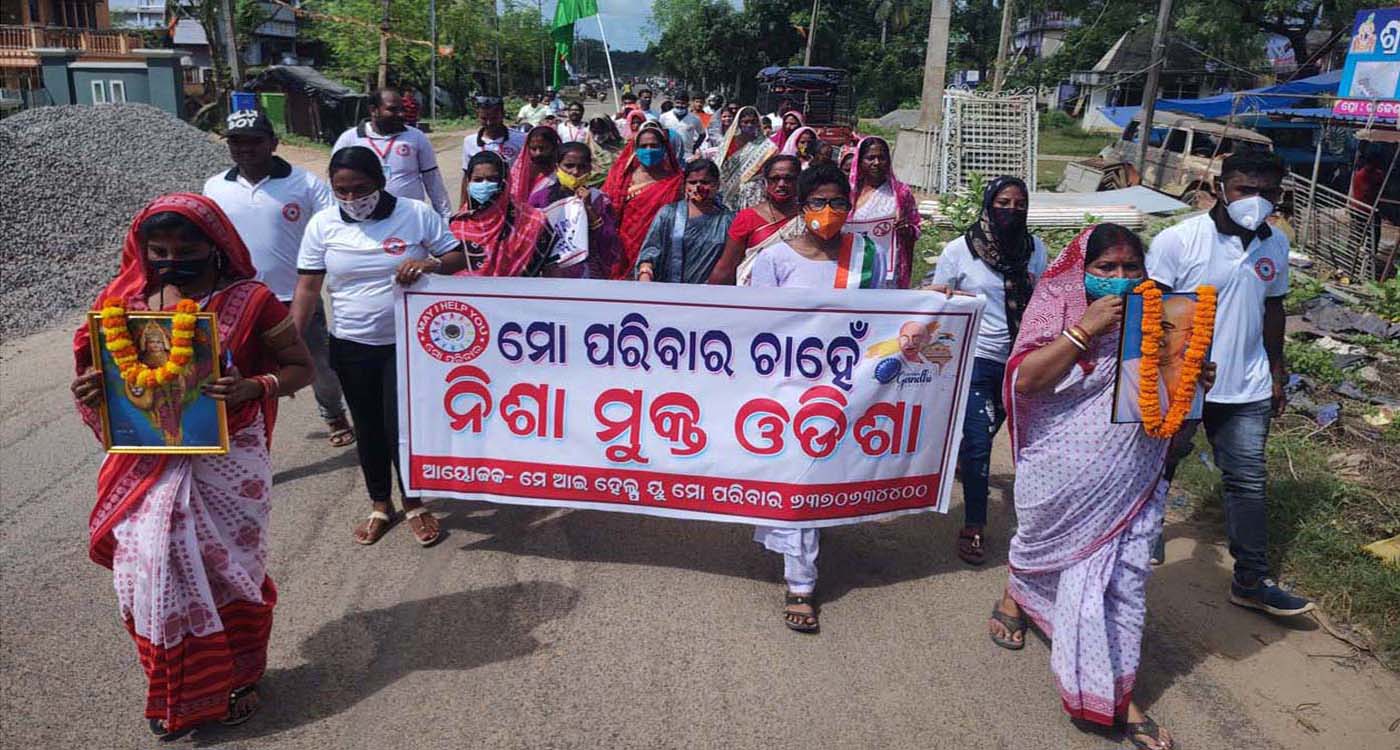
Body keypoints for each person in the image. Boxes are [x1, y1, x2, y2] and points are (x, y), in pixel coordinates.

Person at [70, 193, 314, 739]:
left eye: (185, 250)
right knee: (145, 571)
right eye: (158, 251)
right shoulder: (122, 302)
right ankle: (172, 689)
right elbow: (98, 372)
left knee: (229, 573)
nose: (171, 261)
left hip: (229, 464)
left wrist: (255, 385)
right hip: (146, 464)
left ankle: (237, 683)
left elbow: (301, 366)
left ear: (216, 246)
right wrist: (93, 389)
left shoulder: (250, 302)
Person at [990, 223, 1212, 750]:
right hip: (1061, 469)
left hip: (1131, 473)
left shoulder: (1161, 319)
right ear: (1080, 272)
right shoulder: (1057, 308)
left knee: (1121, 583)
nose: (1120, 277)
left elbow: (1169, 394)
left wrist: (1193, 378)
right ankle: (1017, 593)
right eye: (1105, 267)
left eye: (1131, 267)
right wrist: (1084, 330)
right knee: (1040, 550)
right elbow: (1026, 381)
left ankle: (1114, 694)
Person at [1150, 150, 1314, 617]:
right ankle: (1146, 529)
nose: (1255, 200)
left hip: (1248, 382)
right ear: (1219, 188)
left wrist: (1277, 372)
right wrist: (1163, 377)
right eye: (1245, 189)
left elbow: (1273, 308)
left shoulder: (1275, 244)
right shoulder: (1178, 241)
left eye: (1267, 192)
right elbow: (1153, 313)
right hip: (1183, 381)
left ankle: (1251, 580)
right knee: (1162, 461)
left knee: (1247, 480)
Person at [291, 147, 468, 547]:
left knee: (400, 426)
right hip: (351, 343)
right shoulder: (322, 224)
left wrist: (431, 265)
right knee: (367, 425)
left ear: (381, 182)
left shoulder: (415, 213)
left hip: (407, 344)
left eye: (360, 188)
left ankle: (414, 502)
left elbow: (456, 257)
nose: (352, 198)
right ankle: (380, 504)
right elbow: (307, 287)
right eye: (341, 190)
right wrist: (290, 342)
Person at [746, 165, 896, 633]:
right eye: (818, 202)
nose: (828, 212)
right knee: (801, 475)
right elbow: (757, 328)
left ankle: (806, 541)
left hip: (847, 388)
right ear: (801, 205)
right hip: (789, 390)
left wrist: (936, 303)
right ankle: (801, 583)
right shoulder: (774, 259)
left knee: (823, 475)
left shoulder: (868, 257)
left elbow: (887, 316)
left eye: (837, 203)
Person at [203, 109, 354, 449]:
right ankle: (242, 430)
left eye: (254, 141)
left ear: (273, 142)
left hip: (295, 296)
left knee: (319, 366)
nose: (245, 148)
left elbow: (334, 227)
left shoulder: (306, 184)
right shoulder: (214, 187)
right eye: (236, 142)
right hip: (238, 300)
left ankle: (333, 414)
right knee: (235, 370)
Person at [932, 175, 1046, 565]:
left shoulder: (1036, 250)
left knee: (988, 429)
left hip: (1020, 361)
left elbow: (1043, 302)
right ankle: (974, 524)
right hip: (977, 357)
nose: (1012, 211)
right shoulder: (960, 251)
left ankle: (964, 459)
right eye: (1003, 203)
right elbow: (938, 302)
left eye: (1019, 204)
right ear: (988, 205)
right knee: (980, 443)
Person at [333, 88, 452, 217]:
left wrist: (445, 215)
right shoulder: (350, 139)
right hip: (366, 217)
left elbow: (432, 179)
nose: (400, 114)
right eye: (392, 109)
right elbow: (335, 182)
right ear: (373, 110)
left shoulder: (416, 137)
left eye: (402, 109)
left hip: (409, 215)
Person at [454, 150, 557, 277]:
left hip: (520, 289)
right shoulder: (457, 225)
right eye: (478, 180)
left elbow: (550, 270)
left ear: (506, 180)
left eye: (492, 179)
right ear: (468, 182)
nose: (484, 185)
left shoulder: (532, 221)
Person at [601, 125, 685, 279]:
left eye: (654, 146)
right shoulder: (621, 177)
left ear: (664, 148)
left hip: (657, 248)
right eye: (644, 146)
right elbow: (606, 210)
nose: (649, 150)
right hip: (621, 247)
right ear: (635, 149)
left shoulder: (675, 183)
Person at [528, 142, 619, 279]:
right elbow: (529, 238)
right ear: (557, 167)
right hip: (549, 272)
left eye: (582, 167)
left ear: (590, 168)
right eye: (569, 166)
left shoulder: (599, 199)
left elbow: (609, 241)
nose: (575, 172)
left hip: (588, 271)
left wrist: (589, 208)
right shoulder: (540, 198)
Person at [708, 154, 803, 285]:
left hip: (796, 290)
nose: (781, 184)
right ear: (765, 182)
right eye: (775, 179)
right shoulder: (747, 218)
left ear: (799, 181)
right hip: (755, 292)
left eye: (789, 179)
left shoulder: (807, 217)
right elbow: (726, 267)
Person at [635, 158, 734, 283]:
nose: (698, 187)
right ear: (685, 185)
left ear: (717, 185)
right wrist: (645, 275)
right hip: (670, 290)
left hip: (711, 292)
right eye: (692, 182)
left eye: (705, 182)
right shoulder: (669, 214)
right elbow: (650, 251)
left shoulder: (728, 221)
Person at [849, 136, 922, 289]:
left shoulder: (901, 192)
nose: (876, 163)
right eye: (870, 158)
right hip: (853, 264)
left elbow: (916, 227)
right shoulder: (848, 192)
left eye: (882, 158)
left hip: (889, 268)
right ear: (859, 161)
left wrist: (906, 229)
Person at [462, 97, 527, 208]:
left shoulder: (520, 139)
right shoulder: (469, 142)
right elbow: (466, 176)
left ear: (503, 115)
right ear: (478, 116)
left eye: (494, 118)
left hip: (512, 200)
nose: (489, 123)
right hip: (482, 202)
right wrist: (463, 206)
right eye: (484, 118)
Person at [716, 106, 779, 211]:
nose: (749, 125)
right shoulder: (728, 143)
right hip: (728, 190)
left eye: (753, 122)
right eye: (745, 122)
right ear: (739, 123)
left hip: (754, 192)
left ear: (758, 123)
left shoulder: (767, 146)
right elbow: (720, 164)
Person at [507, 125, 563, 207]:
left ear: (554, 147)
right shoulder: (518, 172)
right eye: (533, 149)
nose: (538, 153)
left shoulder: (561, 174)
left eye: (543, 148)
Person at [586, 116, 626, 185]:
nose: (597, 136)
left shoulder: (623, 145)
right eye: (594, 132)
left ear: (609, 129)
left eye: (601, 132)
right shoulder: (587, 148)